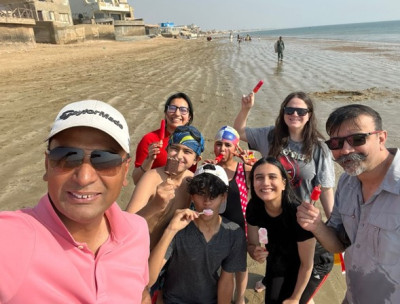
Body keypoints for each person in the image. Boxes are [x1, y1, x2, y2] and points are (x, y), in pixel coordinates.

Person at [0, 100, 150, 303]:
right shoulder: (12, 240)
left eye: (104, 159)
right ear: (47, 165)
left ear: (125, 170)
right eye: (67, 157)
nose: (84, 177)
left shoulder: (137, 232)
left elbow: (140, 293)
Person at [234, 91, 335, 297]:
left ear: (309, 115)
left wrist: (334, 225)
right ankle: (273, 279)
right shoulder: (271, 136)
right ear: (283, 112)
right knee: (274, 254)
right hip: (273, 215)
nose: (295, 114)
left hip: (301, 219)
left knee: (300, 277)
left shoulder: (318, 148)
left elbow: (325, 188)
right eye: (290, 109)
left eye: (301, 110)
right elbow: (238, 133)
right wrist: (246, 109)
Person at [297, 104, 400, 303]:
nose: (346, 150)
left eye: (357, 139)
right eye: (336, 142)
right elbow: (338, 245)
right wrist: (317, 226)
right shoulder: (347, 182)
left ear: (381, 138)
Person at [148, 164, 247, 303]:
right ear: (192, 196)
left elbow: (227, 281)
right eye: (201, 193)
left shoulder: (233, 233)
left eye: (214, 194)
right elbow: (149, 279)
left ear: (223, 196)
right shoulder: (178, 226)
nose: (207, 201)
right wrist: (170, 230)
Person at [247, 157, 316, 303]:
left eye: (272, 177)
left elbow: (307, 265)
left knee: (295, 299)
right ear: (252, 183)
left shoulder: (299, 215)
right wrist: (254, 251)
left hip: (312, 261)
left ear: (284, 183)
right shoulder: (254, 207)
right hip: (279, 253)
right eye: (259, 178)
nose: (265, 183)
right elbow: (252, 244)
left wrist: (295, 298)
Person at [126, 125, 204, 250]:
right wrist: (155, 205)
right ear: (167, 149)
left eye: (187, 152)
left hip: (167, 255)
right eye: (175, 148)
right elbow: (126, 224)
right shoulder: (151, 178)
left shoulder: (192, 182)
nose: (178, 156)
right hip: (138, 249)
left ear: (196, 159)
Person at [207, 125, 252, 304]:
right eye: (219, 144)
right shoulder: (211, 168)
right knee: (217, 263)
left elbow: (262, 182)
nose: (222, 149)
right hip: (215, 224)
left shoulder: (244, 170)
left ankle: (239, 299)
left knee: (240, 266)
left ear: (235, 148)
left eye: (228, 145)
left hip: (240, 226)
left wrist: (251, 163)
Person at [132, 92, 194, 185]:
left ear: (189, 117)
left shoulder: (192, 143)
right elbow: (136, 181)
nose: (177, 113)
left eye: (183, 110)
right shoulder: (149, 139)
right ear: (165, 113)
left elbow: (191, 178)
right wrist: (149, 159)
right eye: (172, 108)